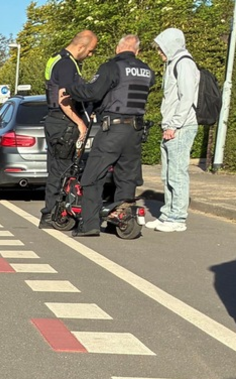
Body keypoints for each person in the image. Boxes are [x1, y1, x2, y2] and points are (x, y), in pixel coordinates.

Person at [67, 35, 155, 236]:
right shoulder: (146, 70)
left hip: (113, 129)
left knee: (92, 176)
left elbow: (93, 92)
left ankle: (89, 225)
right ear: (137, 51)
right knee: (127, 178)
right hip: (135, 131)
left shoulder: (112, 67)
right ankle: (122, 219)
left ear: (118, 48)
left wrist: (72, 89)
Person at [40, 30, 98, 228]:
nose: (90, 54)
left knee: (56, 169)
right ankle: (51, 215)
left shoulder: (58, 59)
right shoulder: (67, 64)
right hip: (63, 123)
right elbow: (64, 99)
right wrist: (80, 123)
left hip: (55, 121)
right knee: (62, 170)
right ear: (81, 46)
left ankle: (53, 213)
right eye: (90, 50)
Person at [147, 28, 200, 232]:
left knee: (177, 173)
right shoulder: (173, 63)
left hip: (181, 126)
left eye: (161, 47)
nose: (159, 52)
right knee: (167, 173)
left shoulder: (184, 63)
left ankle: (177, 217)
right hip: (172, 125)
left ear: (171, 45)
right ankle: (167, 214)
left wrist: (174, 125)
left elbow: (186, 98)